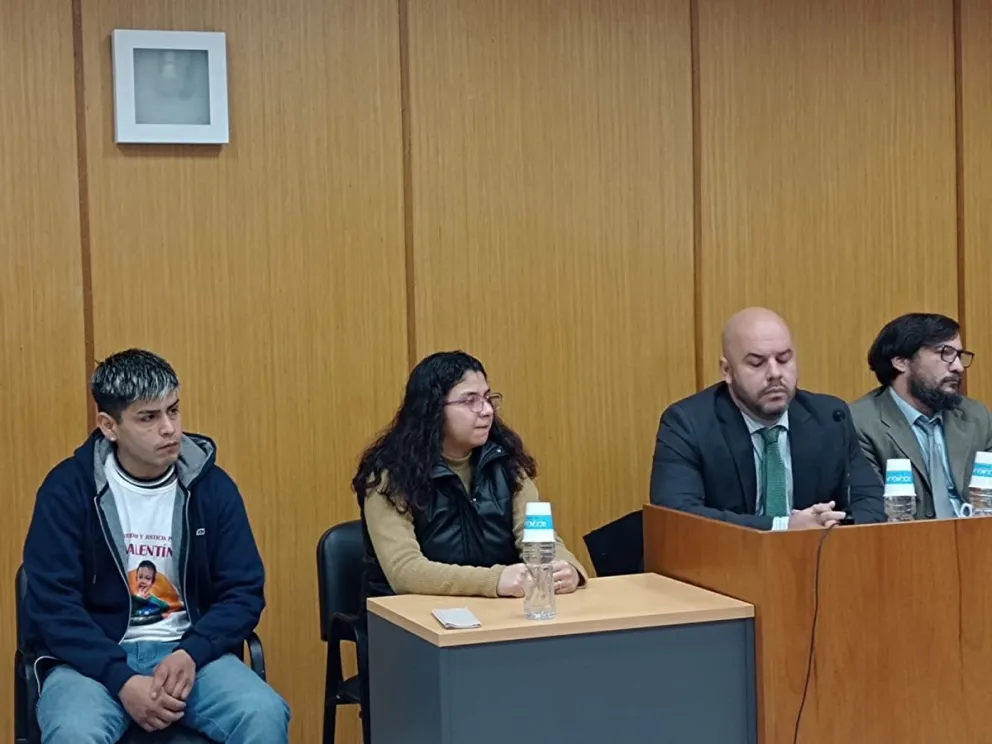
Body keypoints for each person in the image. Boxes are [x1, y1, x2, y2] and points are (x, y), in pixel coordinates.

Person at [22, 349, 290, 744]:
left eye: (173, 410)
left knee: (263, 713)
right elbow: (53, 605)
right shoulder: (67, 490)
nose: (169, 429)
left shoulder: (211, 487)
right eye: (149, 417)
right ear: (108, 425)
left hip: (190, 657)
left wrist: (191, 653)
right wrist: (121, 678)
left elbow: (244, 591)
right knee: (74, 732)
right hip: (91, 665)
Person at [354, 350, 588, 600]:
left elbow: (537, 537)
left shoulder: (505, 462)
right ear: (432, 410)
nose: (486, 410)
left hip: (497, 612)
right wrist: (493, 581)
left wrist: (568, 568)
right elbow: (404, 571)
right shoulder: (391, 474)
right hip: (410, 622)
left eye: (488, 398)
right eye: (470, 401)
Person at [649, 307, 885, 530]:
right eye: (756, 363)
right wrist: (782, 527)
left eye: (784, 359)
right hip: (724, 564)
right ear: (727, 371)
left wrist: (829, 526)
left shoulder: (829, 417)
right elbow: (676, 514)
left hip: (814, 562)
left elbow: (871, 502)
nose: (775, 373)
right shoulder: (688, 423)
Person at [851, 313, 992, 519]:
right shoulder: (861, 422)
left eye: (959, 355)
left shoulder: (975, 416)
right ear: (901, 362)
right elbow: (872, 511)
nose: (958, 367)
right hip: (907, 544)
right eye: (945, 353)